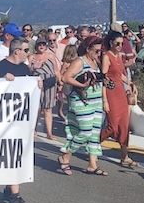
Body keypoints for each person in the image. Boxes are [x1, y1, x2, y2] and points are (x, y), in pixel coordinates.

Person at [0, 38, 41, 203]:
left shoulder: (24, 68)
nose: (28, 53)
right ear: (17, 51)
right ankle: (14, 195)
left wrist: (37, 84)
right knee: (10, 154)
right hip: (3, 120)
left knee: (17, 154)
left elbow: (28, 90)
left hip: (20, 119)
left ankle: (11, 189)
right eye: (26, 50)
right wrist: (2, 80)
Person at [58, 36, 107, 176]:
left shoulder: (96, 62)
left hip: (96, 101)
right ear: (88, 49)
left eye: (100, 51)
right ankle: (65, 155)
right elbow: (65, 77)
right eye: (96, 50)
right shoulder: (80, 61)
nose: (99, 53)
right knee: (85, 132)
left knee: (94, 134)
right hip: (82, 101)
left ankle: (92, 164)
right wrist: (82, 85)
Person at [99, 31, 136, 167]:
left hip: (120, 92)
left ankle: (125, 156)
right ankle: (94, 143)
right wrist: (105, 100)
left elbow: (120, 75)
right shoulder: (107, 56)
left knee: (124, 125)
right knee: (113, 126)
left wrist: (130, 84)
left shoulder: (119, 56)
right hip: (111, 93)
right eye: (117, 43)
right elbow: (104, 79)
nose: (120, 46)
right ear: (111, 43)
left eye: (122, 43)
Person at [30, 39, 59, 140]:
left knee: (48, 108)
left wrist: (60, 82)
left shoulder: (51, 56)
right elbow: (28, 71)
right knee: (37, 108)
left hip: (50, 82)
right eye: (39, 45)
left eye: (43, 44)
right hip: (37, 83)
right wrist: (33, 67)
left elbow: (56, 70)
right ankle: (33, 130)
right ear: (36, 46)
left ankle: (49, 133)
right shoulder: (32, 57)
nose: (41, 46)